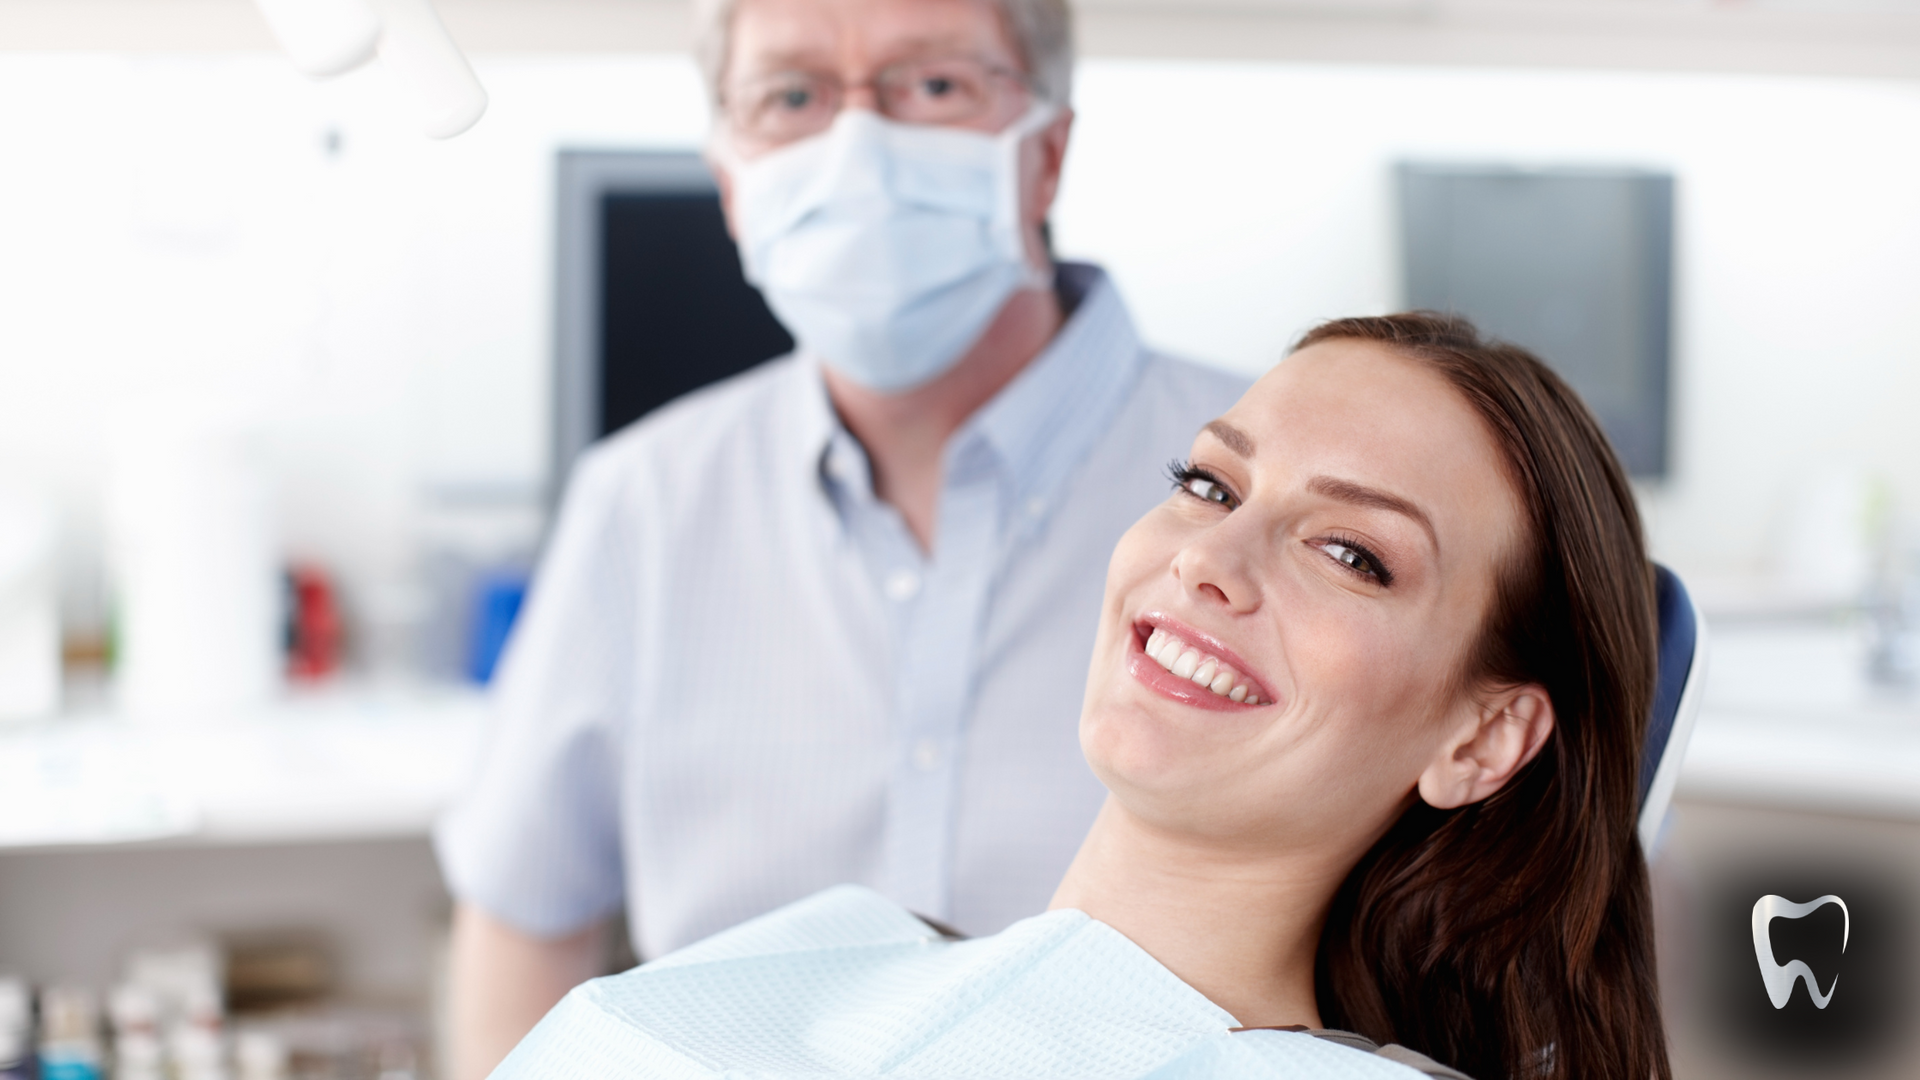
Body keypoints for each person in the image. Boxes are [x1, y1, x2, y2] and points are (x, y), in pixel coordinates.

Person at [483, 314, 1673, 1080]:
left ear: (1483, 737)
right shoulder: (829, 946)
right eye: (1209, 483)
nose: (1208, 557)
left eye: (1350, 553)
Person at [433, 0, 1249, 1072]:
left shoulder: (1265, 506)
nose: (857, 150)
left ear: (1045, 156)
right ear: (731, 177)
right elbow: (525, 918)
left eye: (935, 85)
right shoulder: (644, 501)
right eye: (792, 96)